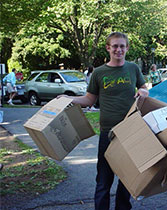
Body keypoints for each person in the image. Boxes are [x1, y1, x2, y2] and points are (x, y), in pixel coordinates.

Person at [57, 32, 149, 210]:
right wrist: (69, 100)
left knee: (127, 177)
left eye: (122, 46)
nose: (118, 49)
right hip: (108, 133)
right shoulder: (99, 73)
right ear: (108, 48)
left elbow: (144, 88)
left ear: (127, 48)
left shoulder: (133, 69)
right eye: (115, 46)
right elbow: (89, 100)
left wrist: (144, 92)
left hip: (131, 130)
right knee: (104, 179)